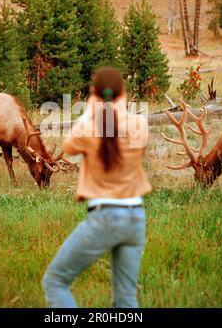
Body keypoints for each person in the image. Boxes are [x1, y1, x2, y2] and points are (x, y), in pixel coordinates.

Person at [42, 66, 152, 308]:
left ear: (94, 94)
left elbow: (68, 146)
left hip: (105, 216)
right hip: (135, 216)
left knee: (56, 281)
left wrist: (91, 112)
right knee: (126, 298)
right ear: (123, 94)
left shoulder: (88, 128)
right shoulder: (139, 125)